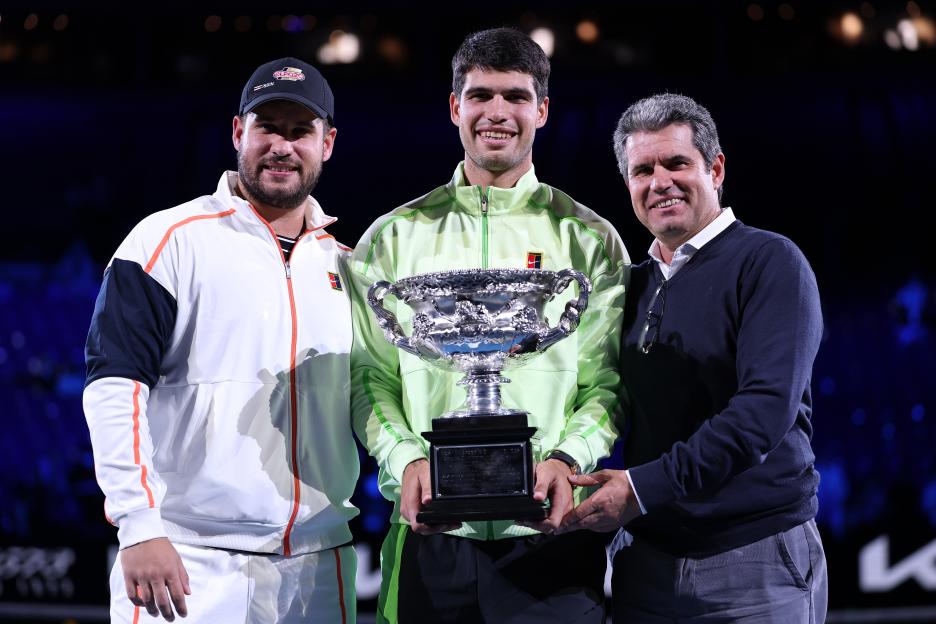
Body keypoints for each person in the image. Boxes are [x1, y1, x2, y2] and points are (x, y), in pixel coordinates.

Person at [349, 27, 630, 623]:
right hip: (431, 533)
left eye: (516, 96)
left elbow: (606, 383)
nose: (496, 112)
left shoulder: (590, 239)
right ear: (456, 107)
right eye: (480, 95)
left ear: (542, 110)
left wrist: (566, 460)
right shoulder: (392, 237)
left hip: (551, 530)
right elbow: (369, 379)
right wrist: (407, 462)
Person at [83, 57, 358, 623]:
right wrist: (138, 524)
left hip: (318, 566)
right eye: (267, 127)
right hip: (187, 559)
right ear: (238, 132)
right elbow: (114, 384)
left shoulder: (348, 266)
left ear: (327, 144)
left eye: (300, 131)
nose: (282, 146)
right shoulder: (167, 240)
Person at [558, 93, 828, 623]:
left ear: (716, 169)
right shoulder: (627, 287)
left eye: (676, 163)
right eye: (643, 171)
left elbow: (762, 413)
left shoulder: (770, 262)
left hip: (754, 557)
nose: (660, 182)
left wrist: (640, 490)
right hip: (644, 563)